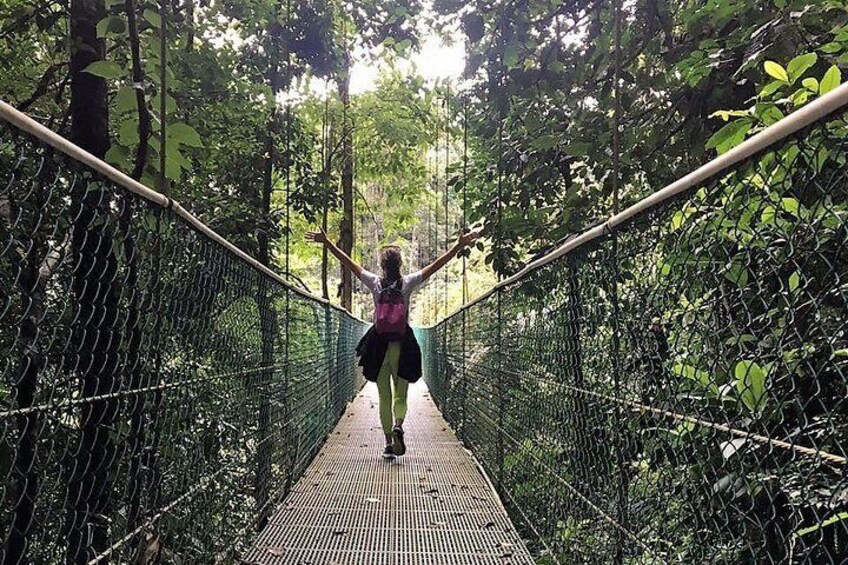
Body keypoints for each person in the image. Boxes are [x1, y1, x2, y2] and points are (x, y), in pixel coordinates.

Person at [306, 228, 480, 459]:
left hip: (378, 345)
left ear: (382, 265)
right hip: (402, 343)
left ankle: (388, 442)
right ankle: (399, 424)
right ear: (399, 264)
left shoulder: (374, 283)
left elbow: (348, 263)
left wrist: (327, 243)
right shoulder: (407, 283)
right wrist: (458, 246)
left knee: (384, 396)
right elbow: (437, 265)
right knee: (401, 394)